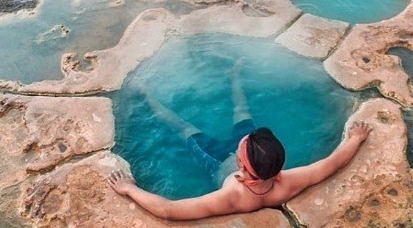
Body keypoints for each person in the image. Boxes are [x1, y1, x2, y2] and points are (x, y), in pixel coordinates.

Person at [107, 58, 373, 221]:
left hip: (215, 161)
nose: (240, 141)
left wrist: (129, 188)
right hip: (257, 160)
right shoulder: (289, 181)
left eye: (241, 147)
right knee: (243, 113)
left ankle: (146, 96)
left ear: (243, 169)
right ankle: (235, 77)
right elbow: (333, 163)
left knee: (182, 126)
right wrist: (356, 139)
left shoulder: (232, 195)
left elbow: (169, 210)